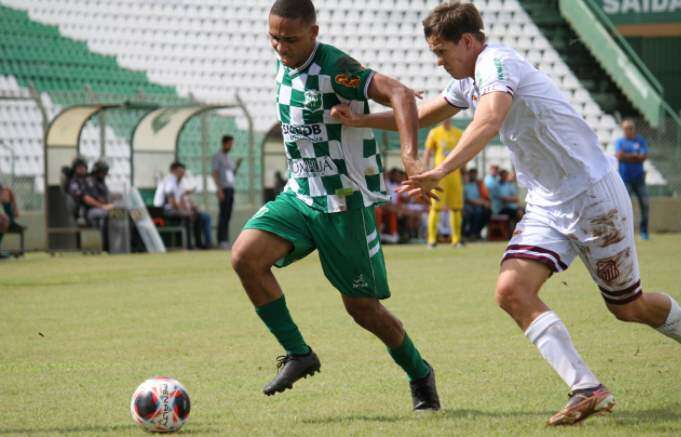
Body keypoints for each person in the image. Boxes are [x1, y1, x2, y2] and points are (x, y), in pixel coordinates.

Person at [331, 1, 681, 426]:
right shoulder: (469, 81)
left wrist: (440, 169)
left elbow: (491, 120)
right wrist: (359, 120)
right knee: (511, 290)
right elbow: (423, 114)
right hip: (548, 205)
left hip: (594, 198)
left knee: (628, 308)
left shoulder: (497, 62)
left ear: (467, 41)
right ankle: (586, 387)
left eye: (441, 52)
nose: (438, 62)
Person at [230, 0, 440, 411]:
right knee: (244, 258)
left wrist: (411, 156)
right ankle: (298, 353)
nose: (279, 46)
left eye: (289, 39)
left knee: (362, 309)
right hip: (300, 195)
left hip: (344, 202)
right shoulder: (284, 61)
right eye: (273, 36)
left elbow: (398, 93)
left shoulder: (335, 68)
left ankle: (419, 372)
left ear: (314, 32)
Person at [423, 119, 464, 248]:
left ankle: (456, 240)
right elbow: (428, 152)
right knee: (436, 207)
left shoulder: (458, 133)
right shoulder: (434, 133)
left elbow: (464, 151)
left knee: (456, 207)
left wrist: (464, 169)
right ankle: (431, 240)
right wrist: (425, 169)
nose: (447, 119)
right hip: (439, 175)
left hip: (455, 174)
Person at [155, 162, 212, 250]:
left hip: (173, 209)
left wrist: (192, 209)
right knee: (188, 216)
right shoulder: (169, 181)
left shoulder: (179, 182)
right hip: (163, 211)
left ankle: (200, 245)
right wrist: (186, 212)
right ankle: (188, 246)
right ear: (174, 171)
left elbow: (182, 198)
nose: (183, 173)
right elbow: (172, 203)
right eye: (180, 171)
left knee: (197, 216)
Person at [615, 119, 650, 240]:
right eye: (624, 128)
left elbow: (644, 156)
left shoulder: (640, 140)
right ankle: (625, 232)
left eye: (629, 128)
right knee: (624, 207)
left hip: (639, 179)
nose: (626, 130)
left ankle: (644, 231)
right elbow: (619, 156)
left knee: (645, 205)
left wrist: (627, 156)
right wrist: (635, 156)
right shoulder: (620, 141)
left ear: (633, 129)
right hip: (625, 180)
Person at [212, 135, 243, 249]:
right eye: (230, 144)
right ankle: (221, 240)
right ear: (224, 143)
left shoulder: (228, 158)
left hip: (230, 188)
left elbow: (231, 175)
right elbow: (215, 173)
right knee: (223, 215)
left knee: (228, 215)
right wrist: (219, 190)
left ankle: (225, 239)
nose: (231, 146)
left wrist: (238, 165)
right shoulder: (217, 157)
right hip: (223, 188)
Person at [462, 168, 490, 240]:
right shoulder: (464, 185)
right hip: (467, 206)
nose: (473, 176)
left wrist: (484, 203)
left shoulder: (477, 185)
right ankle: (472, 233)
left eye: (475, 174)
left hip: (477, 205)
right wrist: (478, 203)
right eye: (472, 174)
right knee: (476, 213)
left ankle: (476, 232)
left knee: (487, 212)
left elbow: (482, 196)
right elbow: (466, 199)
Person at [0, 180, 25, 259]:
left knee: (4, 222)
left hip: (7, 217)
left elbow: (13, 203)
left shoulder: (7, 191)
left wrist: (15, 211)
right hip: (2, 217)